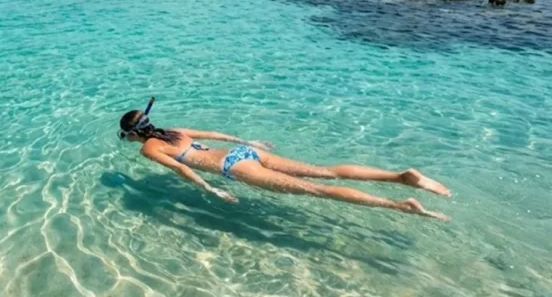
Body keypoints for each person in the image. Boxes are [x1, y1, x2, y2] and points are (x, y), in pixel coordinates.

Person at [118, 100, 451, 220]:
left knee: (315, 190)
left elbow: (180, 168)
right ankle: (399, 176)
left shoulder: (149, 149)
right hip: (247, 153)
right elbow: (214, 133)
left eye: (127, 135)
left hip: (232, 167)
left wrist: (211, 191)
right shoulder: (174, 132)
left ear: (133, 134)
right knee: (326, 172)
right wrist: (248, 141)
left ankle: (400, 206)